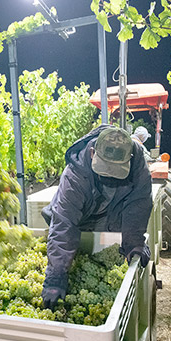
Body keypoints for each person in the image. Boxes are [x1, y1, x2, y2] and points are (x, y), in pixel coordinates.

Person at [41, 124, 153, 309]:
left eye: (115, 172)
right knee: (68, 242)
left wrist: (134, 242)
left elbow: (138, 205)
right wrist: (56, 276)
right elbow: (65, 223)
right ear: (93, 153)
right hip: (78, 219)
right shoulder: (75, 173)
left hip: (108, 219)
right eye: (104, 170)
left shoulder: (138, 163)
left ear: (129, 159)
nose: (109, 178)